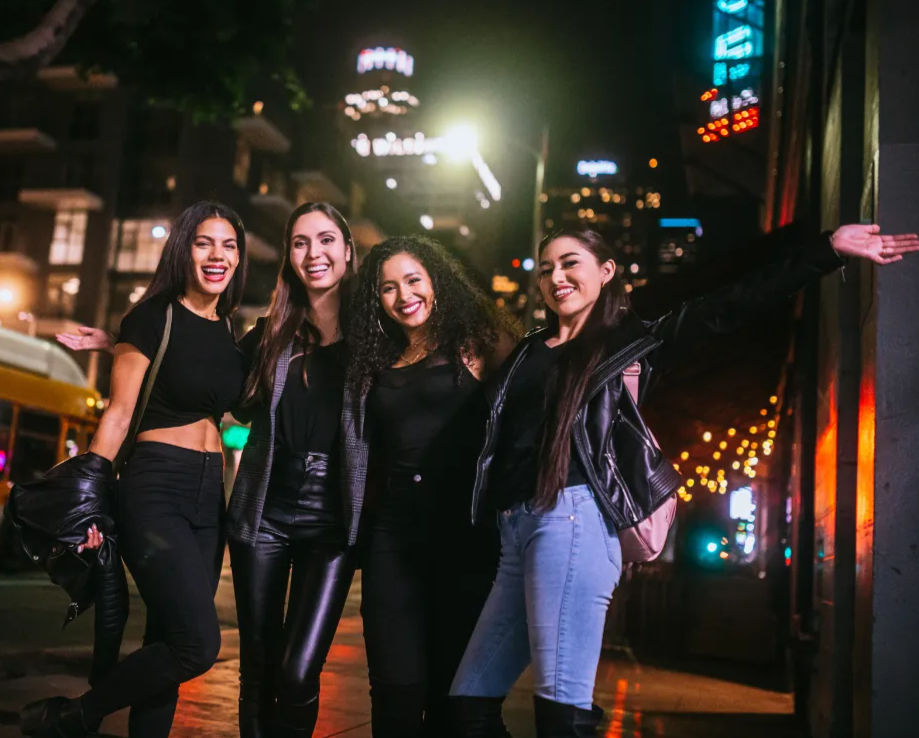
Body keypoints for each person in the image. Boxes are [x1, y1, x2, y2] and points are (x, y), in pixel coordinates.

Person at [448, 224, 919, 737]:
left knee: (561, 710)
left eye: (569, 263)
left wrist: (825, 249)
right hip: (515, 531)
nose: (555, 277)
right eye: (546, 270)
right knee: (468, 703)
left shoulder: (632, 343)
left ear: (606, 273)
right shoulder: (525, 352)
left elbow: (728, 305)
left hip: (574, 521)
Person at [22, 201, 249, 738]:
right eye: (204, 243)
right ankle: (78, 714)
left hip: (207, 496)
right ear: (183, 250)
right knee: (198, 643)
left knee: (167, 642)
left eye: (229, 245)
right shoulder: (152, 316)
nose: (218, 255)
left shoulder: (228, 331)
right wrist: (91, 503)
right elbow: (119, 415)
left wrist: (110, 339)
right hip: (156, 486)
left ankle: (80, 718)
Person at [341, 235, 519, 737]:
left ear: (436, 281)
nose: (404, 296)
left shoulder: (477, 341)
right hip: (392, 542)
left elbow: (537, 399)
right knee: (394, 697)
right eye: (388, 288)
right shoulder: (373, 360)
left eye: (413, 280)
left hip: (465, 539)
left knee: (453, 700)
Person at [227, 202, 356, 738]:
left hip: (332, 521)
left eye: (326, 240)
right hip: (264, 511)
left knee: (298, 671)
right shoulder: (270, 335)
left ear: (349, 251)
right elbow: (210, 384)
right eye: (300, 243)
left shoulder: (377, 337)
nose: (314, 253)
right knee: (258, 665)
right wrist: (126, 350)